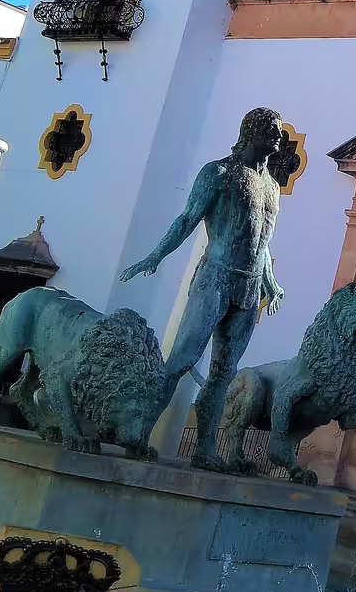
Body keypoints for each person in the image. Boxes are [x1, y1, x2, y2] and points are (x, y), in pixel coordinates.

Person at [120, 106, 287, 468]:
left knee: (223, 374)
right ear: (252, 131)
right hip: (216, 277)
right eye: (273, 130)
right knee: (181, 359)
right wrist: (155, 257)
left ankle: (205, 450)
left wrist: (272, 283)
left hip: (250, 287)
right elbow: (187, 219)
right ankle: (138, 431)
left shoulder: (273, 187)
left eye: (280, 130)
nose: (279, 136)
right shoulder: (220, 173)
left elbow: (261, 238)